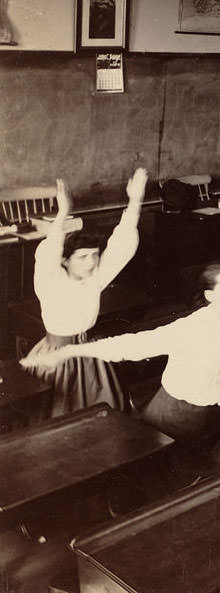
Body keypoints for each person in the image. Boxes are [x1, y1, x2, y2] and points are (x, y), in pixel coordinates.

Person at [22, 265, 220, 484]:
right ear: (210, 295)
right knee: (167, 474)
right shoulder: (189, 329)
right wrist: (69, 352)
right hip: (178, 415)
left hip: (218, 414)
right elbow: (130, 345)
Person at [23, 168, 147, 416]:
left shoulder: (94, 278)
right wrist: (63, 213)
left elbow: (121, 246)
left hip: (90, 353)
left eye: (94, 255)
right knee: (57, 415)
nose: (91, 262)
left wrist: (135, 201)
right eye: (82, 257)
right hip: (56, 358)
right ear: (65, 261)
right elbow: (48, 253)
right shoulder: (50, 282)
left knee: (106, 412)